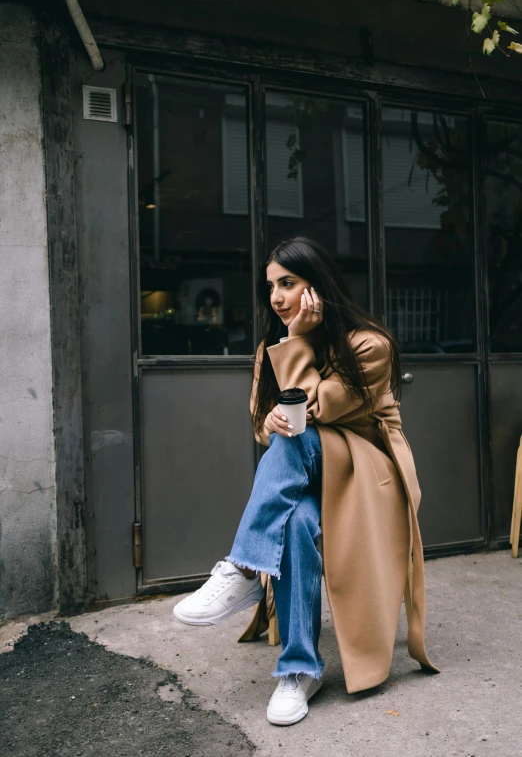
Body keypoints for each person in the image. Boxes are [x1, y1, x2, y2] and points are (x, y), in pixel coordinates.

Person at [173, 236, 439, 726]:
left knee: (299, 435)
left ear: (316, 287)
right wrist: (272, 418)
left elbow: (322, 408)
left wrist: (297, 346)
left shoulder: (368, 344)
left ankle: (245, 567)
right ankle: (299, 670)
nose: (275, 296)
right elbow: (262, 427)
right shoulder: (269, 350)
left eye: (288, 283)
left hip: (368, 476)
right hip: (306, 478)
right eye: (270, 285)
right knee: (294, 520)